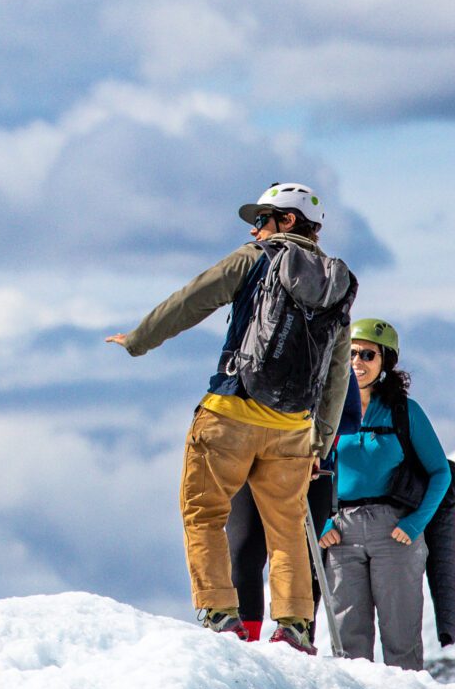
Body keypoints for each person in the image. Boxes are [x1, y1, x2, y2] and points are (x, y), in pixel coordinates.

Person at [108, 183, 356, 653]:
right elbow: (338, 370)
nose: (253, 227)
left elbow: (192, 299)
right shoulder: (338, 281)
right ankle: (296, 625)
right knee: (286, 529)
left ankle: (221, 613)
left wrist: (138, 339)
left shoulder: (255, 258)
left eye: (263, 218)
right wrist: (320, 439)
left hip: (231, 409)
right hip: (293, 428)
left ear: (287, 223)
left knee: (204, 513)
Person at [314, 317, 448, 669]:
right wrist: (320, 524)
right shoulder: (325, 410)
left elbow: (440, 472)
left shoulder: (404, 411)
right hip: (340, 531)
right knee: (348, 642)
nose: (357, 361)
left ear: (385, 362)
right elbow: (305, 472)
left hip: (395, 531)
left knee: (401, 641)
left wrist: (416, 523)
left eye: (368, 355)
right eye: (351, 353)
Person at [226, 473, 335, 642]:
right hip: (249, 461)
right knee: (243, 552)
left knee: (300, 553)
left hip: (308, 464)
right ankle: (244, 639)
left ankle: (295, 635)